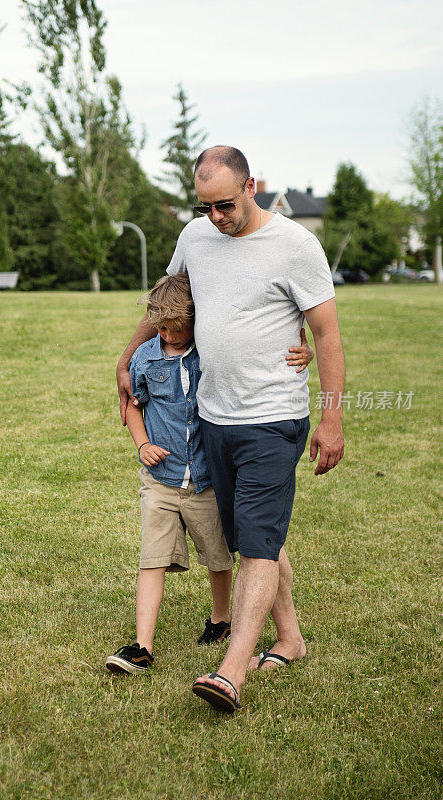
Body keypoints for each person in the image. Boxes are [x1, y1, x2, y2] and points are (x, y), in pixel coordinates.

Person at [116, 146, 345, 711]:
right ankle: (290, 639)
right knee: (252, 536)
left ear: (249, 188)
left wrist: (333, 414)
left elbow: (327, 334)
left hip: (273, 418)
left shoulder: (295, 245)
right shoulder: (195, 236)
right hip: (213, 419)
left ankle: (231, 669)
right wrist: (126, 358)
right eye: (205, 206)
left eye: (224, 205)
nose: (215, 217)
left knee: (258, 546)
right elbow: (163, 306)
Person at [107, 273, 313, 675]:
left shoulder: (212, 353)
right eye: (161, 327)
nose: (168, 335)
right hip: (161, 480)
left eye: (177, 328)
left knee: (219, 557)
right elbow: (133, 403)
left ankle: (221, 620)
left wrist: (304, 352)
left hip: (205, 479)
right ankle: (141, 645)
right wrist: (142, 443)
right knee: (151, 559)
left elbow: (259, 355)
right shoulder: (146, 358)